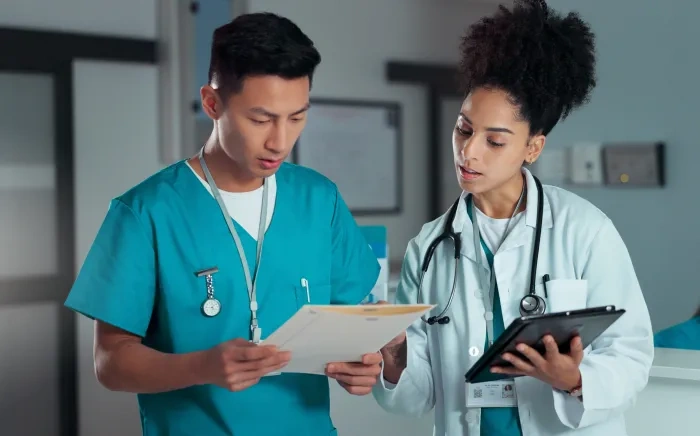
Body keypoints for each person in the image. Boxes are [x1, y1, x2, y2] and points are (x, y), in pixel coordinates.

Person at [64, 12, 383, 435]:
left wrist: (364, 364)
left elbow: (355, 319)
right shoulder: (145, 212)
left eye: (297, 117)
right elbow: (110, 362)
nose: (280, 141)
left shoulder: (319, 199)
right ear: (212, 103)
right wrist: (201, 366)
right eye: (261, 119)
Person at [372, 1, 654, 435]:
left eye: (495, 141)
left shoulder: (585, 231)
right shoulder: (428, 248)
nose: (469, 151)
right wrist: (392, 358)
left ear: (532, 148)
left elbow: (631, 354)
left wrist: (575, 380)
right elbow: (417, 396)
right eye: (464, 129)